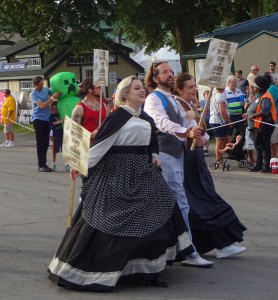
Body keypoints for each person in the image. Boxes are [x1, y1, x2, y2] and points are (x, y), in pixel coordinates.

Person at [48, 75, 193, 292]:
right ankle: (106, 268)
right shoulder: (117, 117)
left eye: (142, 87)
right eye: (136, 88)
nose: (142, 91)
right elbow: (101, 145)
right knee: (111, 221)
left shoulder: (146, 117)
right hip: (117, 173)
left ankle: (150, 270)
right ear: (125, 94)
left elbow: (151, 141)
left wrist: (153, 154)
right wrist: (81, 166)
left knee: (160, 211)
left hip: (143, 172)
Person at [144, 62, 213, 267]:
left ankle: (175, 249)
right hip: (165, 155)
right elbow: (161, 122)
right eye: (165, 71)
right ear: (155, 78)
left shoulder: (174, 99)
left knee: (176, 202)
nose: (170, 74)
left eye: (171, 71)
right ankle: (189, 251)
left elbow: (191, 124)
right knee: (179, 202)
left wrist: (203, 138)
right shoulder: (153, 99)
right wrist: (187, 133)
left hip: (178, 155)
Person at [174, 72, 247, 258]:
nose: (194, 90)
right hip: (186, 160)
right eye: (190, 87)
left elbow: (203, 132)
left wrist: (204, 140)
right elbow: (176, 131)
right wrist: (192, 132)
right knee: (203, 201)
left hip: (196, 158)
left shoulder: (190, 105)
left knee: (204, 200)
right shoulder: (176, 106)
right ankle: (221, 244)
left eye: (194, 86)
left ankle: (218, 244)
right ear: (179, 90)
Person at [245, 75, 277, 173]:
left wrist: (253, 115)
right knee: (258, 146)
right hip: (256, 126)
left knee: (264, 146)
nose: (254, 88)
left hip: (264, 126)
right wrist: (248, 113)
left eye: (255, 86)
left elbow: (264, 111)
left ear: (259, 88)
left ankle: (266, 166)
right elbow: (255, 107)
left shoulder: (266, 97)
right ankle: (258, 165)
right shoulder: (259, 96)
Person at [30, 76, 59, 172]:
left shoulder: (45, 89)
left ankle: (44, 163)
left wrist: (58, 92)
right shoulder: (33, 94)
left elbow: (54, 92)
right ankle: (41, 165)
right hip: (38, 119)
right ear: (35, 84)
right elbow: (41, 106)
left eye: (42, 84)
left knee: (46, 142)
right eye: (39, 85)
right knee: (40, 142)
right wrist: (52, 98)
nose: (41, 86)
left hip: (46, 119)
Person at [263, 73, 278, 167]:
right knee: (273, 139)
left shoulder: (271, 88)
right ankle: (274, 157)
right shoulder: (270, 88)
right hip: (275, 117)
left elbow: (269, 102)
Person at [209, 87, 232, 166]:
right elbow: (222, 111)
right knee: (220, 140)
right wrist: (229, 121)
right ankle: (218, 159)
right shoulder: (220, 96)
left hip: (217, 120)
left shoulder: (215, 95)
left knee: (224, 139)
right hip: (218, 121)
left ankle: (220, 156)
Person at [49, 101, 65, 171]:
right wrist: (59, 122)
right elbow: (52, 123)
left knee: (64, 149)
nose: (55, 110)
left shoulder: (61, 114)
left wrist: (63, 120)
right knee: (54, 149)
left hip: (62, 133)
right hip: (55, 133)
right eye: (53, 109)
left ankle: (66, 164)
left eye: (56, 109)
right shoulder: (51, 116)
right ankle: (53, 163)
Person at [198, 89, 213, 155]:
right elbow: (195, 108)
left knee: (208, 134)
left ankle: (206, 148)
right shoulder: (201, 102)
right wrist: (200, 109)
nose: (208, 95)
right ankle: (203, 148)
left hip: (210, 120)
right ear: (204, 95)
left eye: (209, 94)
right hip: (203, 120)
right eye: (206, 94)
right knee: (203, 133)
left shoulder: (212, 102)